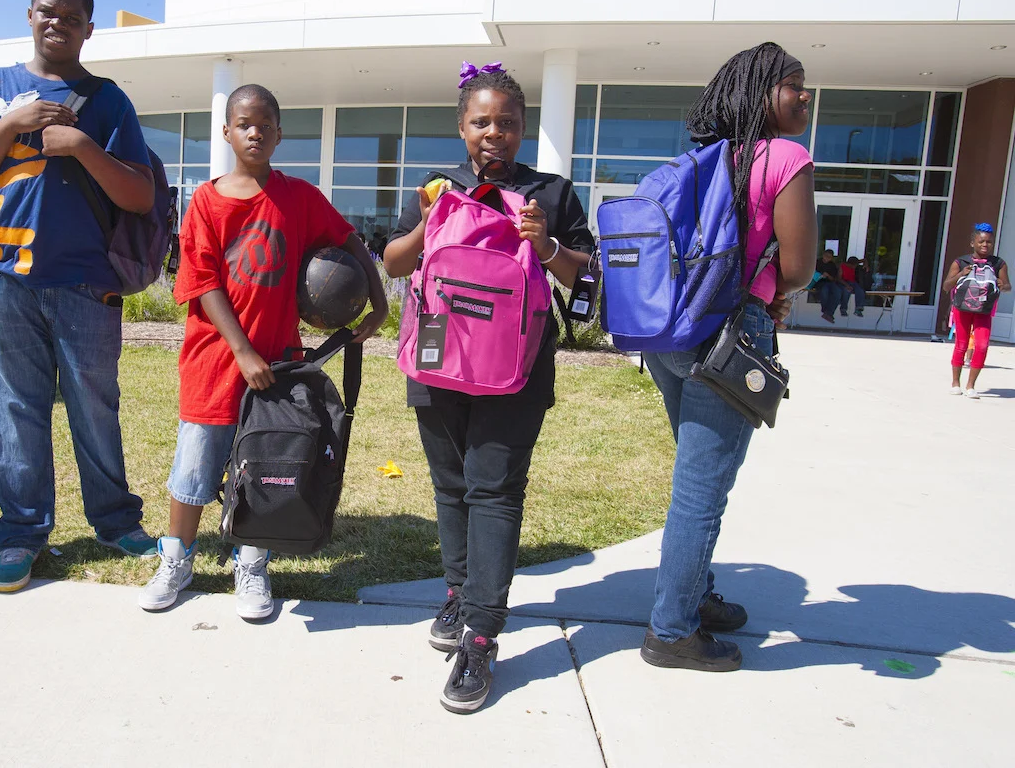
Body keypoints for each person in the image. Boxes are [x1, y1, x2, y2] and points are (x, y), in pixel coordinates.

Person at [383, 62, 594, 713]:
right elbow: (394, 260)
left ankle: (480, 634)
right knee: (450, 487)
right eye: (481, 121)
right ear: (462, 127)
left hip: (515, 373)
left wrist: (547, 242)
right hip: (439, 361)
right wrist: (432, 218)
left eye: (506, 122)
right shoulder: (435, 189)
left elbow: (584, 276)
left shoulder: (551, 193)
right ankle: (458, 591)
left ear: (523, 127)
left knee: (493, 491)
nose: (493, 134)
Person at [0, 0, 159, 594]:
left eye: (71, 17)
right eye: (46, 12)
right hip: (1, 281)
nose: (56, 23)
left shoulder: (107, 99)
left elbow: (140, 196)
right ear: (29, 15)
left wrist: (81, 144)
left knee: (95, 407)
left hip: (85, 283)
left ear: (89, 29)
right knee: (14, 409)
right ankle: (20, 534)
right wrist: (11, 125)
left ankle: (116, 522)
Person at [137, 84, 387, 620]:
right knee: (194, 469)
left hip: (278, 366)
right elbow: (202, 281)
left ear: (279, 133)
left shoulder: (300, 197)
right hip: (214, 362)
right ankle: (177, 558)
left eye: (265, 124)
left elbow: (349, 241)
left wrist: (381, 303)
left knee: (269, 464)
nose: (255, 131)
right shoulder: (205, 200)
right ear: (226, 132)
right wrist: (242, 351)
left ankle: (251, 563)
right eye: (243, 123)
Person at [639, 43, 818, 673]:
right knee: (701, 492)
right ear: (761, 92)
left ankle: (693, 594)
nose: (805, 95)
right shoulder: (786, 157)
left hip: (671, 333)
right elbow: (797, 266)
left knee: (696, 480)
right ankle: (672, 631)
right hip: (731, 334)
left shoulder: (707, 160)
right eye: (795, 84)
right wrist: (777, 295)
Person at [944, 223, 1010, 398]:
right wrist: (960, 274)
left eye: (988, 242)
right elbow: (946, 286)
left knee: (982, 345)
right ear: (972, 242)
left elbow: (1007, 286)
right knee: (962, 345)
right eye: (981, 241)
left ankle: (971, 386)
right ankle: (955, 383)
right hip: (963, 308)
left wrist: (1003, 285)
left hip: (984, 310)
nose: (985, 245)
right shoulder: (961, 262)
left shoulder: (998, 263)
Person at [814, 248, 843, 322]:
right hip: (819, 282)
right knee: (824, 291)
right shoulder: (817, 262)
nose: (827, 258)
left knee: (838, 292)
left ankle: (829, 313)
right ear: (823, 255)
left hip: (829, 282)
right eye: (826, 256)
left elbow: (833, 279)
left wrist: (828, 275)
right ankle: (826, 311)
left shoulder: (832, 265)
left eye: (830, 257)